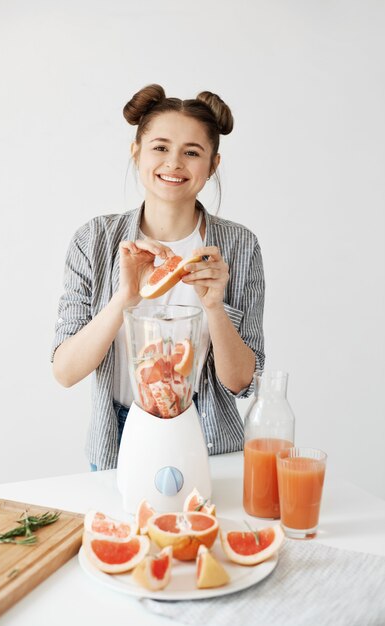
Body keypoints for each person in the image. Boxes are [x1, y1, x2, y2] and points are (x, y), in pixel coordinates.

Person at [51, 84, 265, 471]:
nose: (174, 163)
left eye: (192, 152)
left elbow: (241, 382)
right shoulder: (94, 240)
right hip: (117, 435)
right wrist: (124, 298)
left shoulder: (239, 245)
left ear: (213, 164)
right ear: (137, 153)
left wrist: (214, 306)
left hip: (207, 435)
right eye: (160, 147)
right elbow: (65, 372)